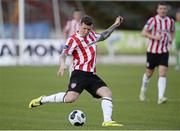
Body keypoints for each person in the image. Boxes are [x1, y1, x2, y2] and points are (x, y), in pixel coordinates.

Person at [29, 15, 124, 127]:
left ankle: (107, 121)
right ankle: (43, 99)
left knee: (107, 93)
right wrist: (62, 64)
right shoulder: (73, 39)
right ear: (80, 26)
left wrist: (115, 25)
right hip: (79, 73)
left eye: (89, 29)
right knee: (70, 98)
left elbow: (104, 35)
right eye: (84, 28)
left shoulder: (92, 35)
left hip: (91, 75)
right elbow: (63, 55)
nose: (86, 31)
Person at [139, 2, 175, 104]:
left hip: (164, 51)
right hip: (152, 51)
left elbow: (172, 31)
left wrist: (171, 40)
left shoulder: (170, 21)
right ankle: (143, 90)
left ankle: (161, 97)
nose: (163, 10)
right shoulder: (153, 20)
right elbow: (143, 33)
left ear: (166, 10)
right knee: (149, 74)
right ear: (157, 10)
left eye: (164, 9)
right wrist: (155, 37)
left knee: (163, 73)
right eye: (161, 8)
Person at [63, 9, 82, 76]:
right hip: (72, 44)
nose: (77, 16)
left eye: (78, 14)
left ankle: (75, 74)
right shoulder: (70, 23)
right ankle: (72, 74)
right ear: (74, 15)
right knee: (73, 59)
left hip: (81, 44)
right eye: (76, 14)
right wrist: (66, 40)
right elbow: (65, 31)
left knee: (78, 60)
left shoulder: (82, 23)